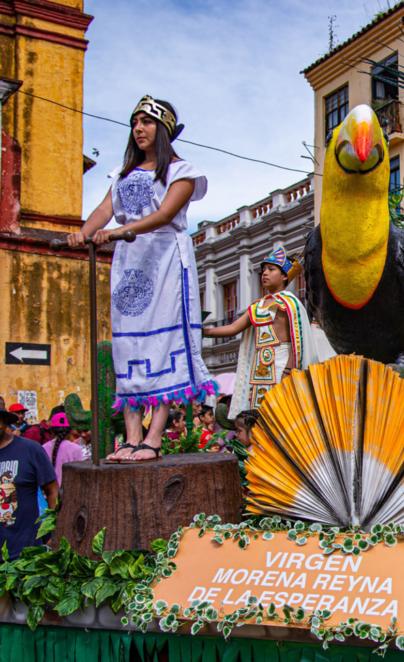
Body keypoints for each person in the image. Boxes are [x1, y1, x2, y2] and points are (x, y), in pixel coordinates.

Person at [67, 96, 216, 463]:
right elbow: (105, 209)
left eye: (147, 122)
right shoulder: (123, 173)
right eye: (135, 122)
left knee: (164, 345)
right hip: (130, 263)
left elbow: (166, 214)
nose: (138, 128)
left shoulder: (181, 170)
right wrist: (82, 233)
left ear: (163, 130)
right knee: (128, 347)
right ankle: (132, 438)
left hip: (165, 259)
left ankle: (153, 438)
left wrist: (118, 232)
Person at [203, 249, 318, 417]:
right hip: (259, 370)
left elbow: (298, 341)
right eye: (263, 270)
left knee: (282, 414)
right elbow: (233, 328)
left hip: (282, 367)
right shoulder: (258, 306)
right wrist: (202, 332)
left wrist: (288, 371)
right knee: (258, 414)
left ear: (285, 276)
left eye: (271, 270)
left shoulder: (290, 303)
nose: (265, 274)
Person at [0, 405, 58, 559]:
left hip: (24, 552)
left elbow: (53, 491)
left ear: (5, 421)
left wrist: (56, 533)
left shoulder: (30, 450)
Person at [41, 413, 84, 489]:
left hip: (47, 494)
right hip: (69, 493)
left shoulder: (43, 448)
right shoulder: (75, 448)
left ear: (51, 430)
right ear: (70, 431)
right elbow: (81, 475)